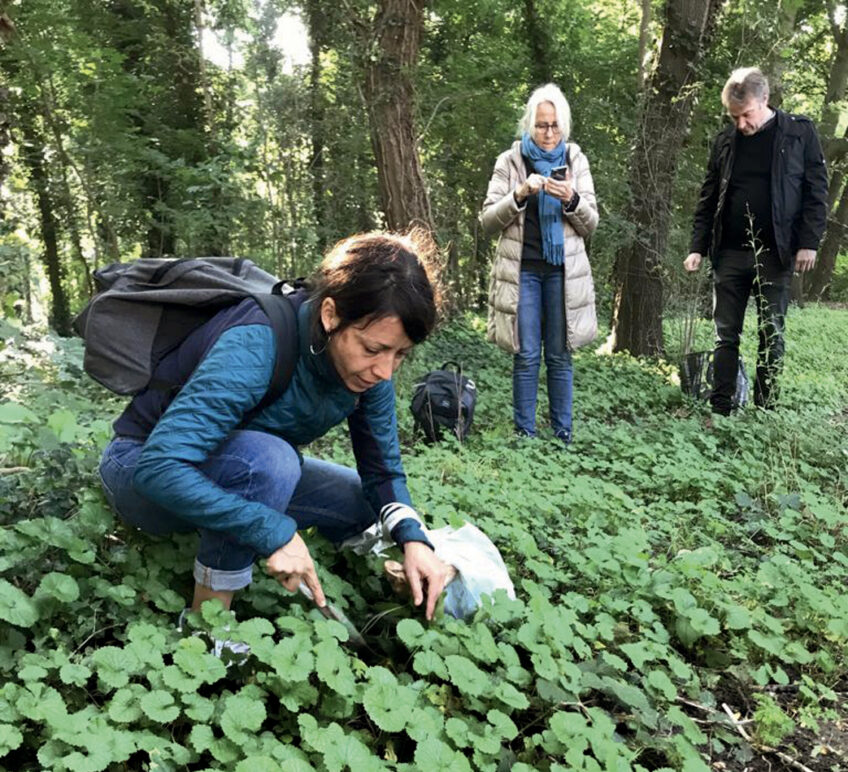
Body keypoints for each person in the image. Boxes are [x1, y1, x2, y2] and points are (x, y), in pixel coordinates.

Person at [98, 231, 454, 626]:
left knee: (362, 500)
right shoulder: (257, 343)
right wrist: (274, 532)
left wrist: (413, 539)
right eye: (372, 349)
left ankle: (399, 579)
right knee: (271, 462)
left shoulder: (371, 374)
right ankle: (206, 627)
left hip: (230, 465)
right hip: (138, 467)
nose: (385, 370)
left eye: (400, 353)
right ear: (330, 314)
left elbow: (382, 472)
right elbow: (159, 467)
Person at [684, 67, 828, 415]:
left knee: (771, 333)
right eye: (734, 117)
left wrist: (808, 242)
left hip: (775, 253)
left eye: (746, 115)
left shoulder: (798, 133)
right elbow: (709, 197)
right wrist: (696, 247)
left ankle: (765, 409)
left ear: (764, 100)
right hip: (729, 252)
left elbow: (816, 190)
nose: (741, 124)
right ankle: (720, 409)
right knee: (725, 335)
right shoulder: (724, 142)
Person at [479, 82, 598, 445]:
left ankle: (563, 435)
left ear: (564, 126)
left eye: (555, 125)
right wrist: (518, 194)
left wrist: (572, 199)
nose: (548, 134)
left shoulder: (575, 160)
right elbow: (486, 222)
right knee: (527, 355)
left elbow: (591, 223)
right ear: (530, 124)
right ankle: (525, 436)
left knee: (560, 355)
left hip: (564, 274)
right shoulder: (510, 161)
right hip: (523, 272)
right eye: (542, 125)